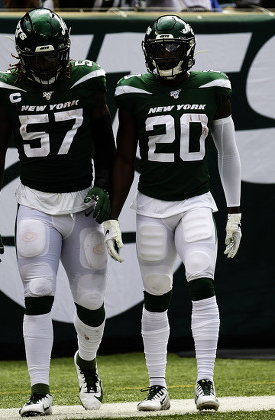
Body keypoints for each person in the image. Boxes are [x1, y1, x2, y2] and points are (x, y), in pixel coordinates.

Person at [0, 7, 115, 417]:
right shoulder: (6, 89)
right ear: (22, 53)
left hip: (84, 203)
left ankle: (86, 363)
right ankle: (40, 389)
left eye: (54, 54)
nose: (48, 63)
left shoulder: (87, 80)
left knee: (90, 300)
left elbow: (107, 148)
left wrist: (106, 188)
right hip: (36, 202)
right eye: (39, 55)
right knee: (38, 293)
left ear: (66, 50)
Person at [103, 15, 241, 412]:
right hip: (151, 206)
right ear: (148, 51)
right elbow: (124, 158)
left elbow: (227, 151)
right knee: (157, 294)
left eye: (172, 47)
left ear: (189, 49)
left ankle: (205, 381)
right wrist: (112, 214)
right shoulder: (132, 90)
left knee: (201, 279)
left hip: (196, 201)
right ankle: (157, 387)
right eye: (158, 47)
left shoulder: (213, 85)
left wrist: (234, 210)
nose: (165, 54)